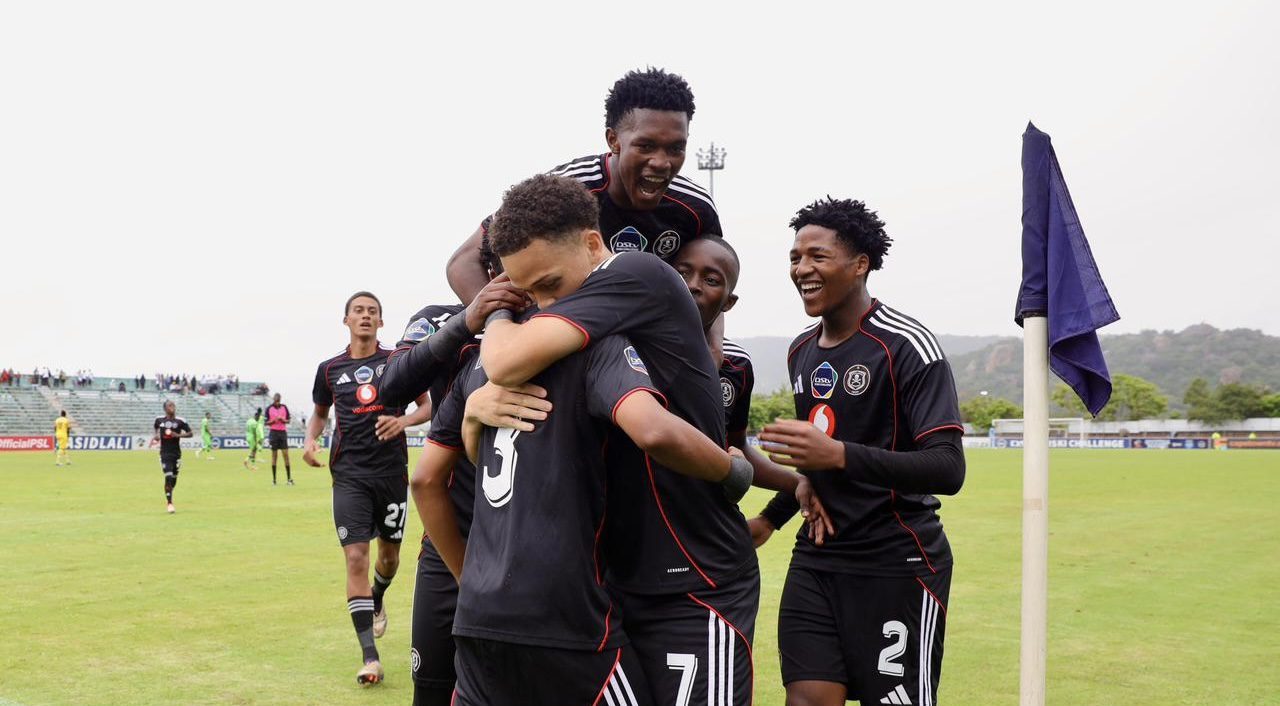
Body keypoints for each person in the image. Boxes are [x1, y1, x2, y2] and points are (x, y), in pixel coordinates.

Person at [416, 176, 754, 706]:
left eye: (549, 284)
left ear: (595, 244)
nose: (543, 304)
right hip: (613, 579)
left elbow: (503, 362)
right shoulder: (577, 334)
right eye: (529, 293)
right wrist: (474, 418)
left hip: (690, 571)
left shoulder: (635, 272)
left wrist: (734, 472)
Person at [753, 198, 965, 706]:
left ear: (860, 264)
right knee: (806, 698)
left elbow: (947, 467)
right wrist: (769, 519)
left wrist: (838, 455)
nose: (802, 269)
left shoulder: (907, 345)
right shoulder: (800, 350)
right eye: (795, 257)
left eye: (818, 256)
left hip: (897, 560)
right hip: (819, 557)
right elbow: (817, 461)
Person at [444, 68, 729, 358]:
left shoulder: (695, 207)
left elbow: (715, 279)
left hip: (646, 349)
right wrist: (503, 332)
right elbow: (463, 262)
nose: (661, 162)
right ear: (613, 140)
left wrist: (713, 346)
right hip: (560, 343)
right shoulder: (567, 189)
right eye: (645, 146)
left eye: (675, 149)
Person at [303, 291, 432, 686]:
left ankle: (378, 597)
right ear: (346, 320)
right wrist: (310, 441)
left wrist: (404, 423)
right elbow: (320, 415)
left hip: (392, 474)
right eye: (358, 311)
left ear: (380, 322)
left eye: (372, 312)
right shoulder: (329, 370)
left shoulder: (397, 362)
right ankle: (370, 658)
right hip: (349, 476)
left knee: (388, 560)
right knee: (356, 556)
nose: (365, 316)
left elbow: (428, 406)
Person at [153, 401, 193, 514]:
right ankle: (170, 503)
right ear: (165, 409)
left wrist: (178, 435)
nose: (173, 407)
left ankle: (169, 491)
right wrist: (156, 435)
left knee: (174, 479)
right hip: (164, 454)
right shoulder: (159, 420)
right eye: (170, 406)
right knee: (168, 476)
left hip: (176, 454)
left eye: (173, 405)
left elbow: (190, 433)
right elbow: (155, 427)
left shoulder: (181, 421)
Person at [265, 393, 293, 485]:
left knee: (286, 455)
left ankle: (289, 479)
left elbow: (288, 420)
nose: (277, 402)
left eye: (278, 400)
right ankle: (274, 480)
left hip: (282, 433)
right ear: (273, 399)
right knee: (274, 456)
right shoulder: (269, 408)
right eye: (276, 400)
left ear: (280, 399)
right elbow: (266, 422)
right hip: (273, 433)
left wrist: (283, 420)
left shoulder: (284, 407)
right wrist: (273, 421)